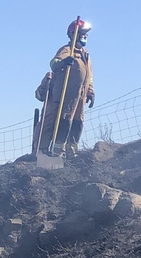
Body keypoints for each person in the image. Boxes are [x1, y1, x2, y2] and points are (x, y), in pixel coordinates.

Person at [37, 18, 95, 158]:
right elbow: (54, 63)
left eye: (86, 34)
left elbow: (89, 76)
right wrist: (64, 62)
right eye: (82, 33)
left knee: (77, 122)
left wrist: (90, 92)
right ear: (73, 34)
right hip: (67, 93)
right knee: (65, 121)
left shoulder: (86, 55)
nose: (85, 36)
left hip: (80, 96)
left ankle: (72, 151)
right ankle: (58, 151)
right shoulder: (67, 50)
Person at [32, 72, 53, 157]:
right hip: (49, 113)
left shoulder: (74, 78)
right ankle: (40, 153)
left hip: (64, 114)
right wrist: (46, 82)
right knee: (43, 131)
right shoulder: (51, 77)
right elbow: (39, 96)